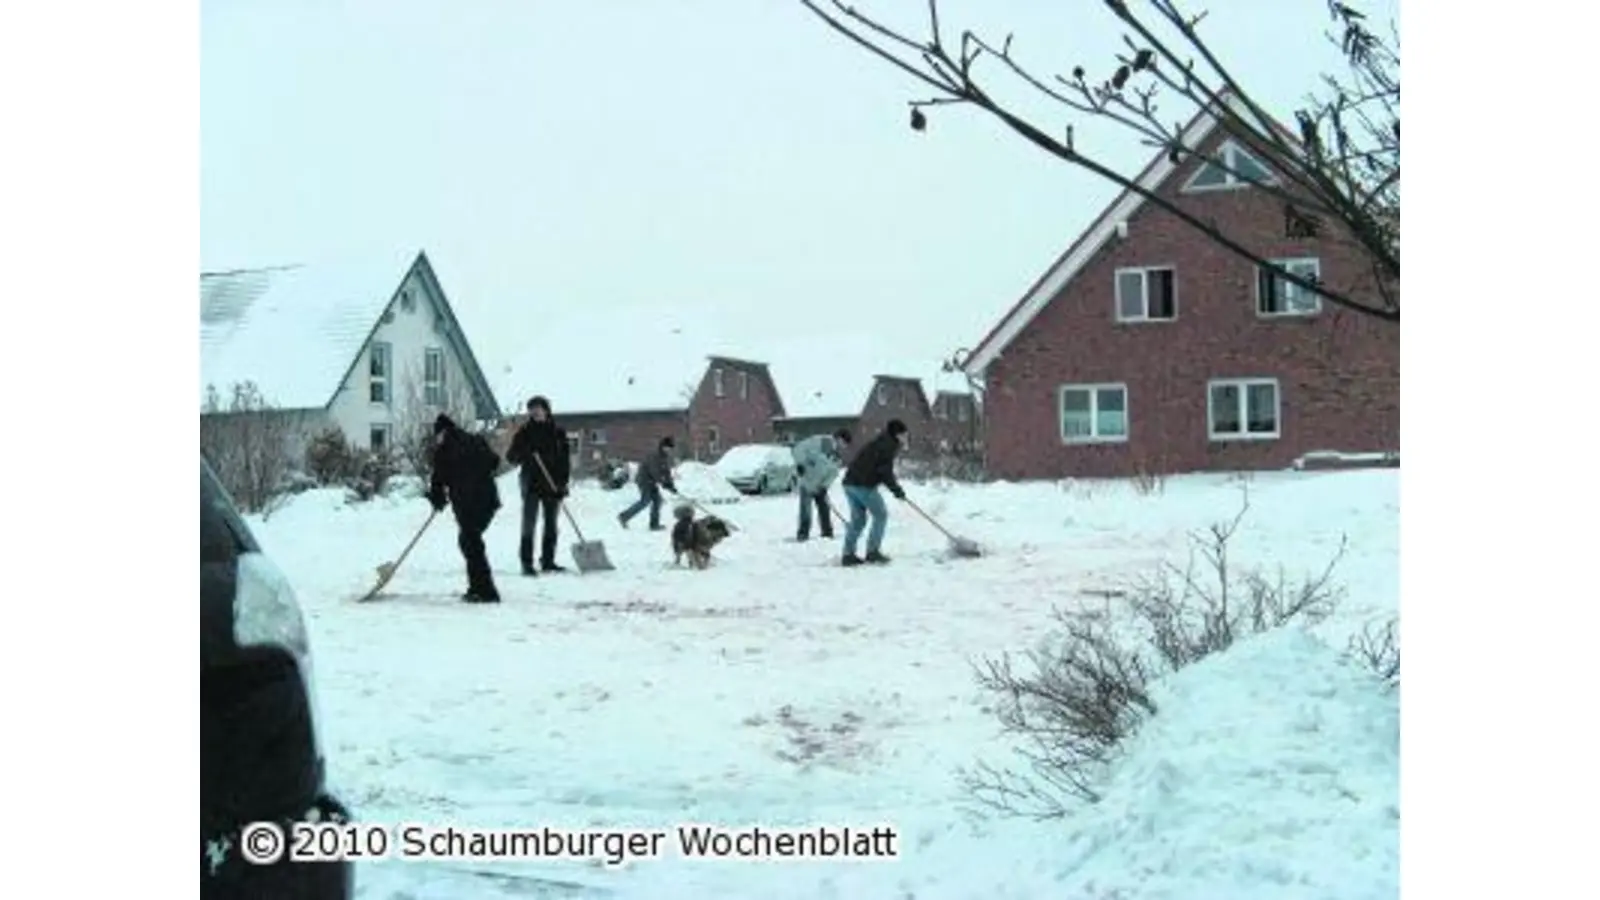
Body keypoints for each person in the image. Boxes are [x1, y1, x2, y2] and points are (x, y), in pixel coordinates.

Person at [427, 413, 504, 602]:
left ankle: (486, 591)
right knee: (469, 541)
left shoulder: (444, 451)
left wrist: (437, 498)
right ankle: (478, 588)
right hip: (487, 501)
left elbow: (438, 480)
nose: (436, 440)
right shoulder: (475, 440)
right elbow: (494, 462)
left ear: (443, 432)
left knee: (471, 543)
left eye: (437, 435)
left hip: (468, 503)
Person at [504, 395, 571, 576]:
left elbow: (565, 461)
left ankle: (548, 561)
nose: (535, 412)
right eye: (532, 409)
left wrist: (563, 485)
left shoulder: (558, 432)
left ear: (546, 410)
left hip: (552, 484)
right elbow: (511, 457)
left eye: (538, 408)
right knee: (529, 524)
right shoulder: (524, 433)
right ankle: (527, 563)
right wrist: (523, 452)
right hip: (531, 483)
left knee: (551, 524)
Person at [839, 418, 908, 567]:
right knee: (880, 514)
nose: (905, 438)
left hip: (849, 483)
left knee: (858, 520)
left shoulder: (880, 442)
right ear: (897, 434)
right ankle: (872, 552)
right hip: (863, 485)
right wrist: (897, 491)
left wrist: (895, 489)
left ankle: (847, 554)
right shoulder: (888, 446)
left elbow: (879, 469)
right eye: (904, 434)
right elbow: (885, 472)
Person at [790, 428, 853, 541]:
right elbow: (799, 448)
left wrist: (824, 486)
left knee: (824, 509)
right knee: (806, 510)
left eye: (845, 445)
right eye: (844, 443)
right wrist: (800, 464)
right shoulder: (820, 441)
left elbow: (833, 473)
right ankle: (803, 534)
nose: (844, 447)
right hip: (807, 482)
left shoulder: (837, 457)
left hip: (819, 486)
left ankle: (827, 532)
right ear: (839, 438)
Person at [618, 436, 678, 531]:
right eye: (667, 447)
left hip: (652, 481)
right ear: (663, 446)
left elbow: (666, 472)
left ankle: (654, 524)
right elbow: (654, 471)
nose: (669, 450)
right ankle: (624, 516)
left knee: (657, 501)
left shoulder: (664, 457)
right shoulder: (654, 455)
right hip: (644, 480)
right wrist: (663, 483)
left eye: (670, 448)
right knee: (645, 501)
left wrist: (671, 485)